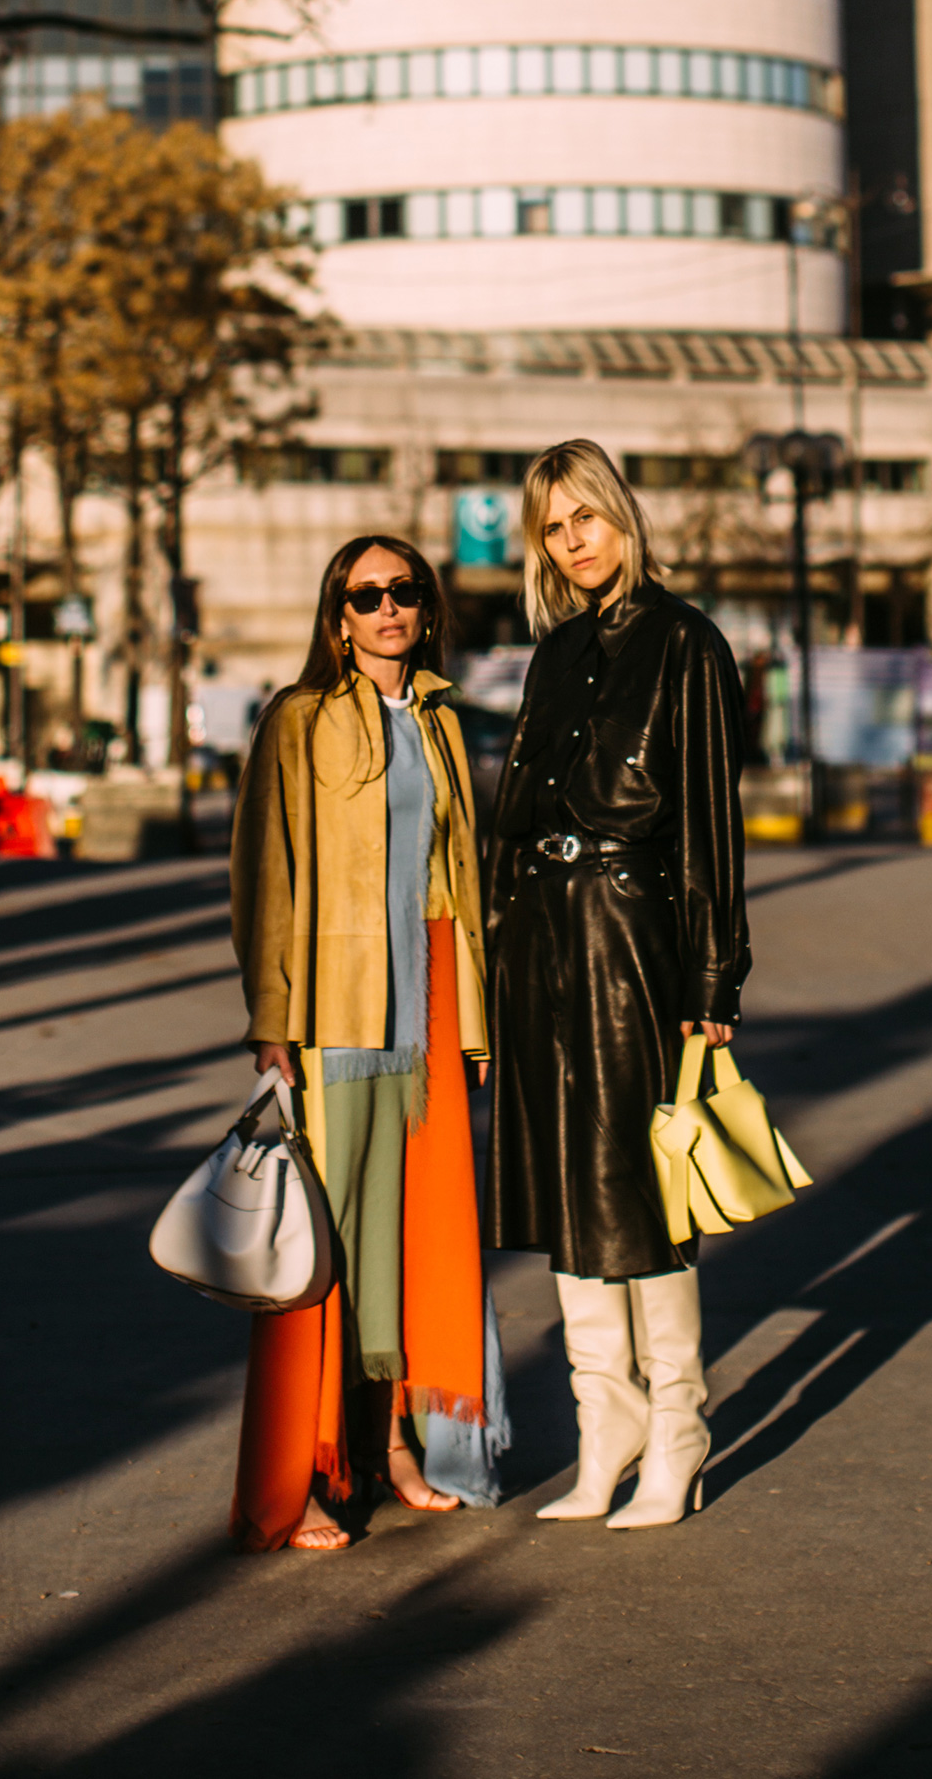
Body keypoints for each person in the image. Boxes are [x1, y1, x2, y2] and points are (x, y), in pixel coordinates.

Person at [485, 439, 749, 1529]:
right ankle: (608, 1421)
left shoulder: (686, 643)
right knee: (559, 1184)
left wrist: (715, 983)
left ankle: (678, 1418)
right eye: (554, 527)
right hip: (540, 941)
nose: (574, 542)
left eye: (586, 516)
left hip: (633, 937)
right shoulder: (552, 654)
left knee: (638, 1186)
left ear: (622, 516)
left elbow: (710, 828)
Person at [228, 535, 497, 1551]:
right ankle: (298, 1478)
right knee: (320, 1257)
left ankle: (390, 1450)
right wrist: (272, 1017)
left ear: (427, 609)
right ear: (337, 616)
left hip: (423, 1014)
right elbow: (266, 874)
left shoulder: (438, 721)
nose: (389, 608)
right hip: (334, 1013)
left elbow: (456, 879)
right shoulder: (298, 722)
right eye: (367, 594)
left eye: (405, 592)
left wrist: (471, 1019)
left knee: (402, 1247)